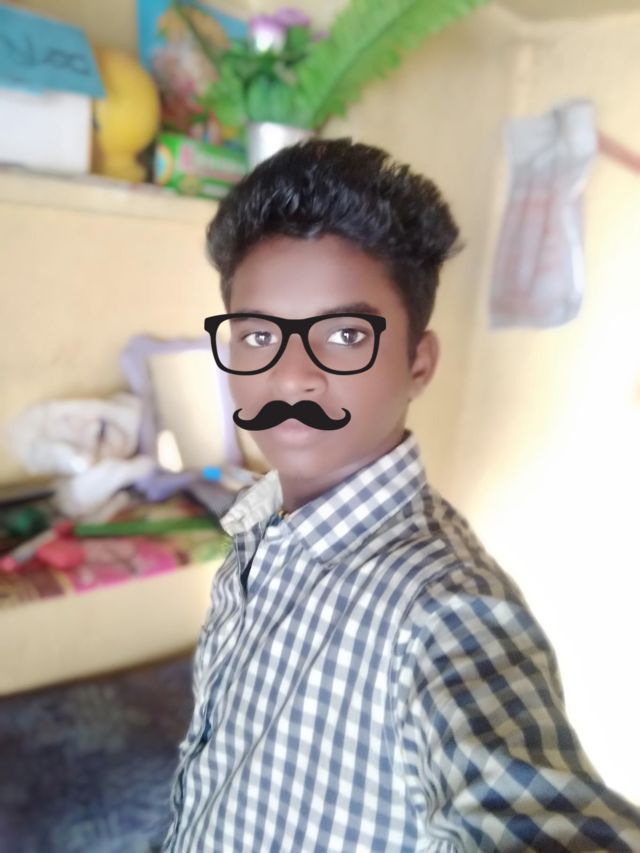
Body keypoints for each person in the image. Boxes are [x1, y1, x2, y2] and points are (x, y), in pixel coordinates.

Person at [163, 139, 640, 851]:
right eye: (258, 336)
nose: (290, 376)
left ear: (419, 362)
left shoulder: (443, 609)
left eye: (344, 334)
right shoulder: (261, 524)